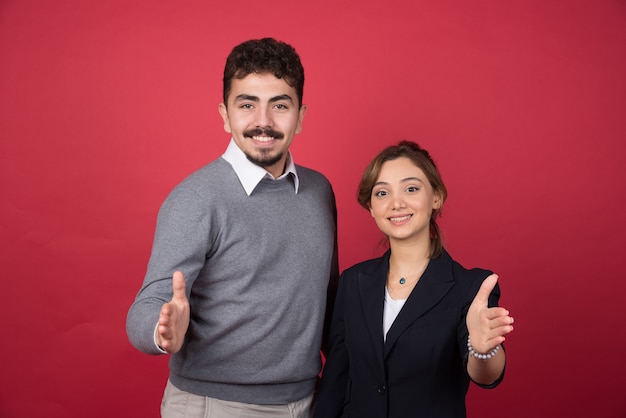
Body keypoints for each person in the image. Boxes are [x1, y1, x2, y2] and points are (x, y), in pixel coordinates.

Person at [126, 38, 339, 418]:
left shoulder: (318, 191)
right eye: (247, 105)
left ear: (301, 116)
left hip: (310, 401)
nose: (264, 122)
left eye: (280, 105)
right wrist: (161, 331)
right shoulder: (196, 197)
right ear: (225, 114)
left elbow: (328, 302)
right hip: (216, 406)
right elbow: (148, 304)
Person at [312, 141, 514, 418]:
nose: (397, 203)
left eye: (411, 188)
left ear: (436, 197)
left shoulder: (472, 287)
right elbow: (336, 378)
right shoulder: (353, 282)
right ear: (371, 207)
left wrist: (482, 351)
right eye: (382, 193)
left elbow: (487, 376)